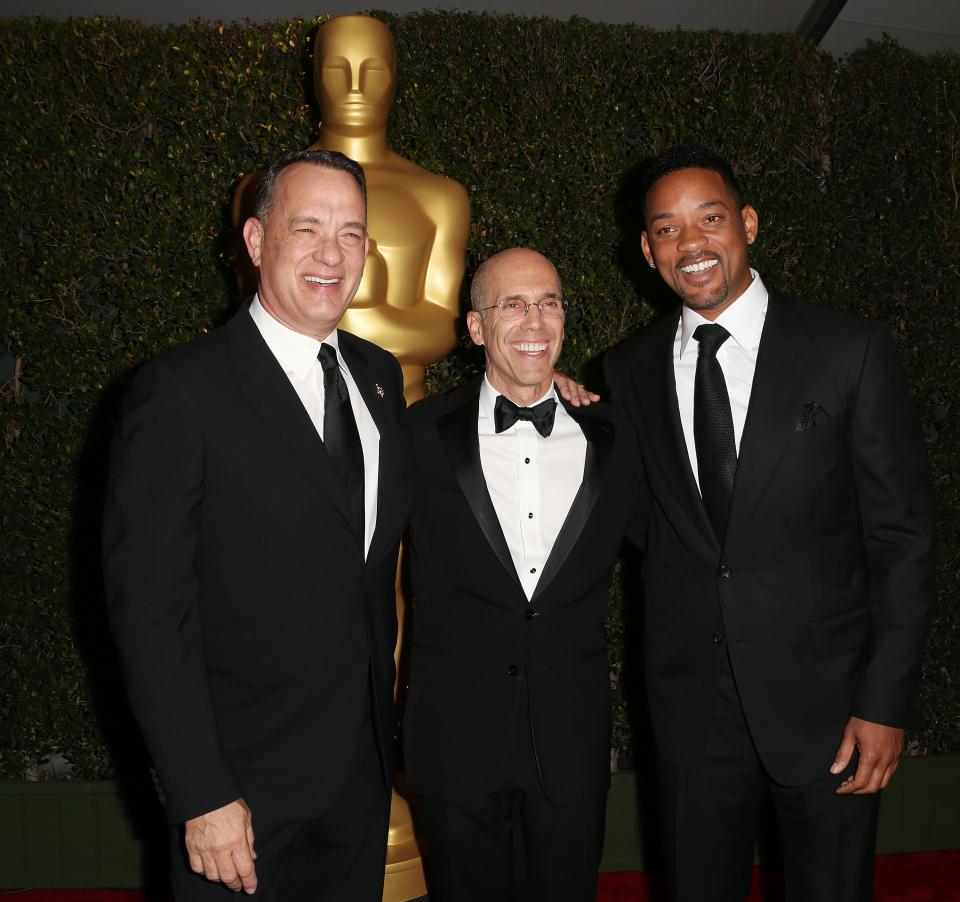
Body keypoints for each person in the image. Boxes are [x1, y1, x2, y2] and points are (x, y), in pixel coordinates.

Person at [603, 144, 936, 901]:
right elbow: (644, 521)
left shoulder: (849, 351)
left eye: (709, 218)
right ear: (648, 252)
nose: (690, 243)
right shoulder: (625, 371)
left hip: (832, 715)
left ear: (747, 223)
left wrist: (885, 705)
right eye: (666, 229)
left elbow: (904, 541)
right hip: (691, 717)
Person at [103, 149, 412, 901]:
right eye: (307, 228)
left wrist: (544, 387)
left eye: (351, 233)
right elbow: (149, 612)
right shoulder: (180, 391)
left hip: (358, 781)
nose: (331, 253)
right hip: (238, 793)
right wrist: (200, 791)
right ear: (255, 241)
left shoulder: (379, 376)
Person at [402, 248, 646, 902]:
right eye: (512, 304)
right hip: (452, 740)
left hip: (570, 737)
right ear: (477, 327)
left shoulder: (616, 435)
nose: (535, 320)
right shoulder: (417, 435)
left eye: (549, 302)